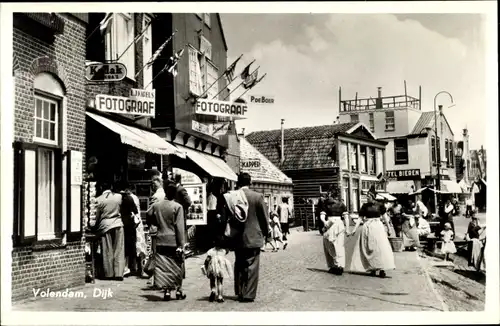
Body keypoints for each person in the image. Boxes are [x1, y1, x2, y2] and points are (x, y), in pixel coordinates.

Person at [233, 173, 270, 302]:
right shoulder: (257, 197)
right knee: (252, 266)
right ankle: (248, 294)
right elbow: (264, 218)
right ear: (250, 182)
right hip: (253, 237)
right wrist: (267, 234)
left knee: (239, 264)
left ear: (238, 182)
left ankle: (240, 291)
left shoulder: (232, 196)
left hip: (237, 237)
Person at [147, 181, 187, 301]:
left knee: (164, 267)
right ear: (174, 194)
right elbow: (179, 228)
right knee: (178, 266)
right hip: (173, 240)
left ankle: (167, 291)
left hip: (160, 239)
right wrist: (181, 244)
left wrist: (155, 222)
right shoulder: (177, 207)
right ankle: (179, 290)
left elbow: (149, 214)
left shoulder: (157, 205)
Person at [345, 187, 395, 278]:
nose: (367, 197)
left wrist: (389, 228)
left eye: (368, 196)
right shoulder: (364, 206)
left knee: (380, 248)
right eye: (367, 196)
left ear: (373, 196)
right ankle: (372, 268)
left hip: (377, 227)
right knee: (368, 247)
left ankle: (382, 269)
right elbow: (360, 218)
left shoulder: (380, 205)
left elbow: (385, 218)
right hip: (367, 227)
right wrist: (354, 229)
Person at [94, 180, 125, 280]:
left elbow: (97, 216)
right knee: (119, 249)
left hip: (105, 226)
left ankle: (108, 273)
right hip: (118, 224)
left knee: (107, 250)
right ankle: (119, 273)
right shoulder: (118, 197)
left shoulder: (99, 200)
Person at [319, 194, 349, 275]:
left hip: (334, 224)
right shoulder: (339, 204)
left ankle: (338, 266)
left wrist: (325, 222)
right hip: (333, 224)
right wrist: (325, 222)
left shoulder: (329, 204)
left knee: (334, 245)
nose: (329, 197)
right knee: (333, 245)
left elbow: (346, 217)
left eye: (330, 195)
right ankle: (336, 266)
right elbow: (346, 218)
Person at [145, 175, 166, 286]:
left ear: (158, 182)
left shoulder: (156, 196)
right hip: (164, 228)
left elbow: (149, 212)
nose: (152, 186)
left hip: (155, 227)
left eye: (153, 183)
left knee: (154, 252)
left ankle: (154, 277)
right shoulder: (165, 195)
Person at [119, 183, 139, 277]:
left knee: (124, 246)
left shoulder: (119, 199)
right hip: (130, 225)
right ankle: (131, 267)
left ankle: (124, 267)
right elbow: (135, 211)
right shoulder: (130, 198)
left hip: (122, 223)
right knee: (131, 245)